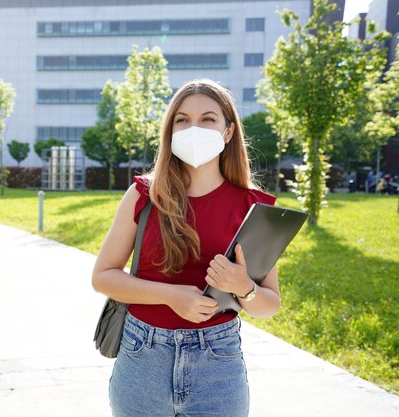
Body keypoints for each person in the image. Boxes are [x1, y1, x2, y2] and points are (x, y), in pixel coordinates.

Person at [92, 79, 281, 417]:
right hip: (142, 356)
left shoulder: (253, 207)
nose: (194, 128)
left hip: (217, 363)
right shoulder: (143, 196)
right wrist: (171, 296)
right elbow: (103, 277)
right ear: (170, 131)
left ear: (227, 132)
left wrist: (244, 288)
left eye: (208, 119)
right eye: (182, 120)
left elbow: (269, 304)